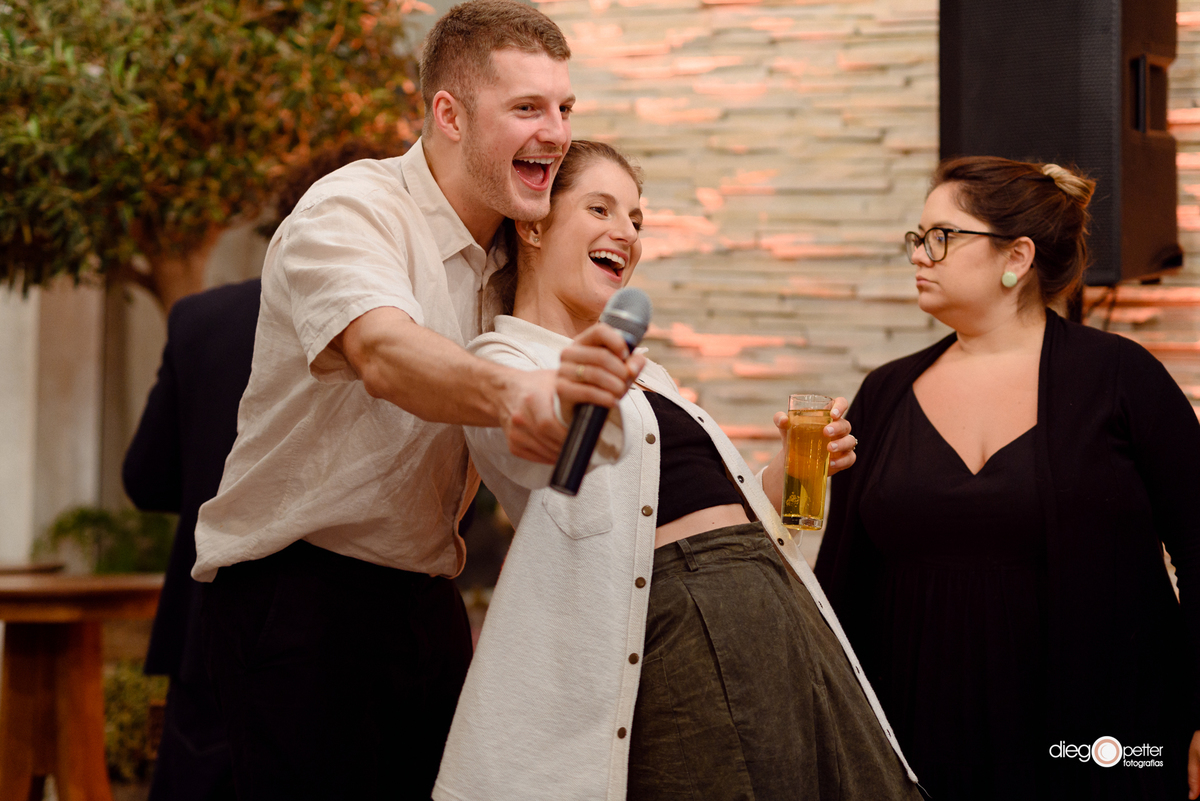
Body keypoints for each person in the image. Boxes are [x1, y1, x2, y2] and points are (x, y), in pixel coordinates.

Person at [190, 4, 643, 799]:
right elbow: (383, 352)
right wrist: (517, 390)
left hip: (427, 598)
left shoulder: (515, 246)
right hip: (296, 597)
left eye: (564, 108)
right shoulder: (351, 210)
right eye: (528, 108)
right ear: (449, 115)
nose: (557, 131)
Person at [433, 141, 924, 801]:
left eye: (636, 218)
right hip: (685, 626)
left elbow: (715, 506)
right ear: (534, 222)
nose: (626, 233)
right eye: (600, 207)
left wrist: (787, 470)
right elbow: (529, 438)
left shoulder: (650, 373)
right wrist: (567, 392)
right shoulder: (503, 358)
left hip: (771, 608)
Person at [814, 156, 1200, 801]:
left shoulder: (1120, 377)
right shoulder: (884, 393)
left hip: (1096, 740)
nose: (920, 254)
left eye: (942, 236)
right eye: (918, 237)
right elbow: (843, 583)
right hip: (917, 736)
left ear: (1015, 257)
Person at [123, 138, 398, 801]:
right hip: (354, 636)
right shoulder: (400, 329)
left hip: (208, 621)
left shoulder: (200, 319)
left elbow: (146, 478)